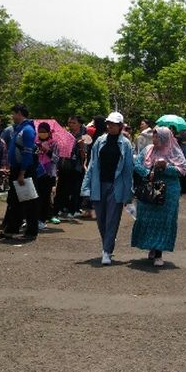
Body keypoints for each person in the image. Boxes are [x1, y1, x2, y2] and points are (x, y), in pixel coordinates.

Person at [81, 112, 134, 265]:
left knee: (112, 219)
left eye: (114, 124)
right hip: (99, 184)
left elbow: (128, 169)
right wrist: (86, 187)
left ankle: (107, 251)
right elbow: (92, 165)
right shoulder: (99, 141)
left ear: (120, 126)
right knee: (101, 219)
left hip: (116, 185)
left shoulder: (125, 144)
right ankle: (108, 243)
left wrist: (128, 191)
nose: (110, 126)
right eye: (109, 123)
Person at [131, 126, 186, 267]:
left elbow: (182, 170)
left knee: (163, 221)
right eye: (154, 137)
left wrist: (165, 167)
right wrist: (147, 172)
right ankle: (152, 246)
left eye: (157, 137)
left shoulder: (174, 151)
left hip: (169, 191)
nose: (154, 139)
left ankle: (159, 252)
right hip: (150, 190)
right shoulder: (148, 149)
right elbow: (137, 164)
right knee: (148, 219)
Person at [4, 104, 39, 240]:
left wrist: (22, 173)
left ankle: (31, 232)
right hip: (16, 168)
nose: (12, 116)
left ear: (19, 113)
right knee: (14, 200)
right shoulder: (19, 129)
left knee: (29, 201)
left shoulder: (28, 130)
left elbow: (27, 153)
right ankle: (12, 228)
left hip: (24, 170)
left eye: (14, 113)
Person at [53, 115, 86, 217]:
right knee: (62, 187)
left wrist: (81, 147)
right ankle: (61, 207)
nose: (71, 125)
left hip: (76, 166)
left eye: (74, 123)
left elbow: (85, 156)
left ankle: (73, 209)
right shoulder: (67, 134)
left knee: (75, 189)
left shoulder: (84, 136)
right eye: (70, 123)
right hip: (65, 165)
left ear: (80, 124)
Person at [35, 122, 59, 229]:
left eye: (44, 132)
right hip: (36, 173)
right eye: (40, 131)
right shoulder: (35, 142)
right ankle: (34, 218)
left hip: (48, 174)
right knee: (35, 197)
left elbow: (56, 159)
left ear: (49, 132)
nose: (42, 134)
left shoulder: (54, 143)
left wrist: (47, 151)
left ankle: (42, 219)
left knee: (45, 198)